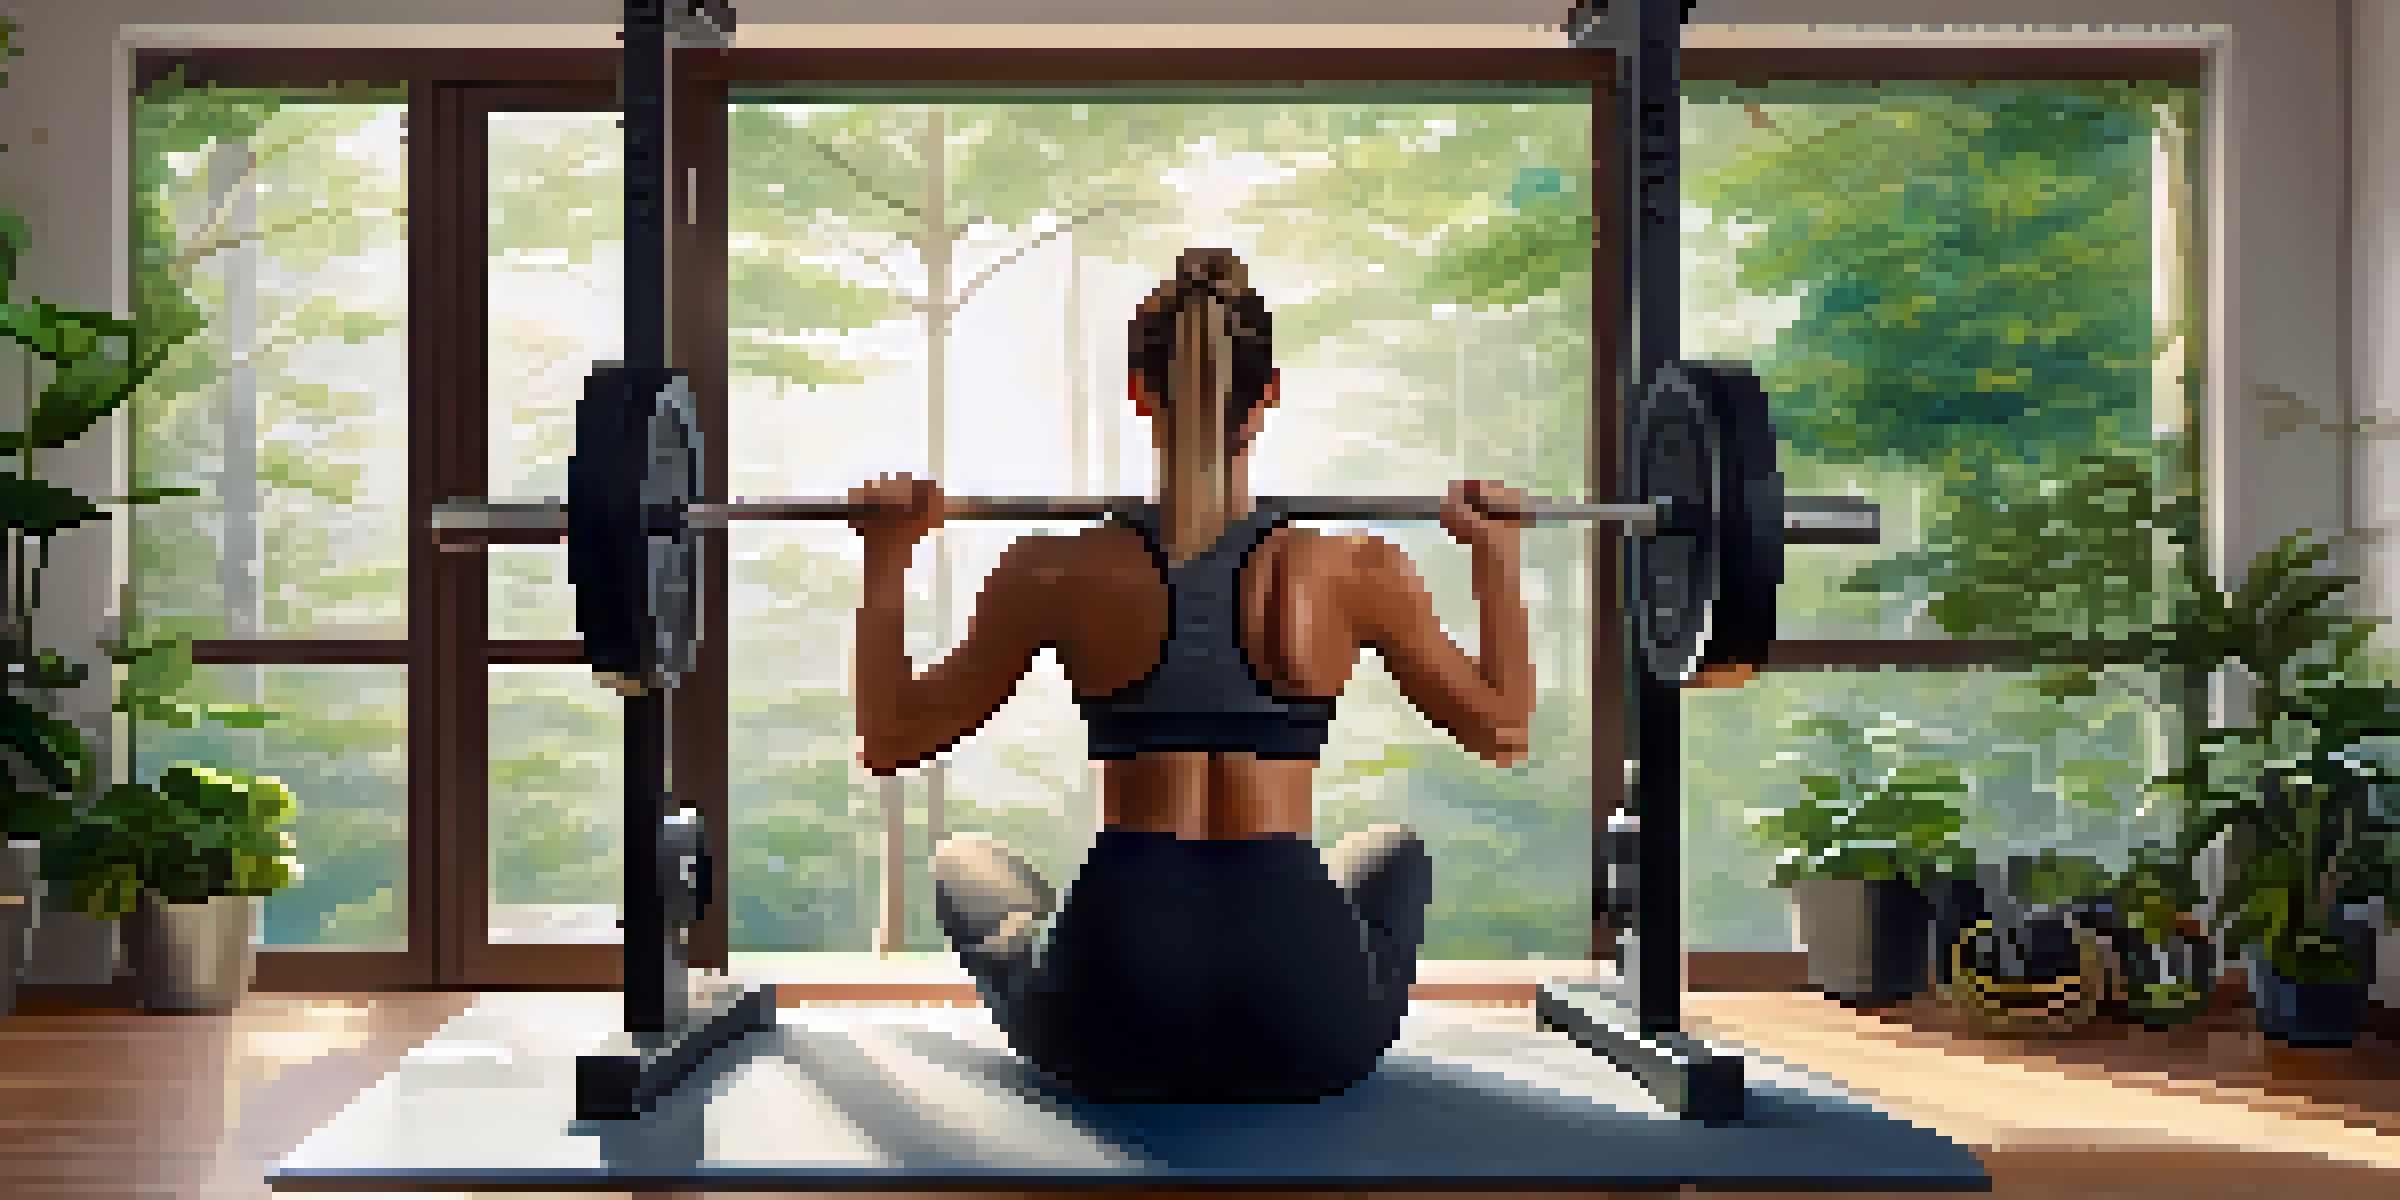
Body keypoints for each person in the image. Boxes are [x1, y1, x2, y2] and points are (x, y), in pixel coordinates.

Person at [846, 247, 1536, 1103]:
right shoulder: (1356, 570)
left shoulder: (1055, 571)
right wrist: (1496, 560)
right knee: (1389, 854)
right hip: (1306, 1021)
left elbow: (889, 738)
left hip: (1114, 1012)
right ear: (1270, 392)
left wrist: (885, 559)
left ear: (1139, 392)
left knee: (967, 862)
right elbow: (1505, 731)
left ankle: (1052, 955)